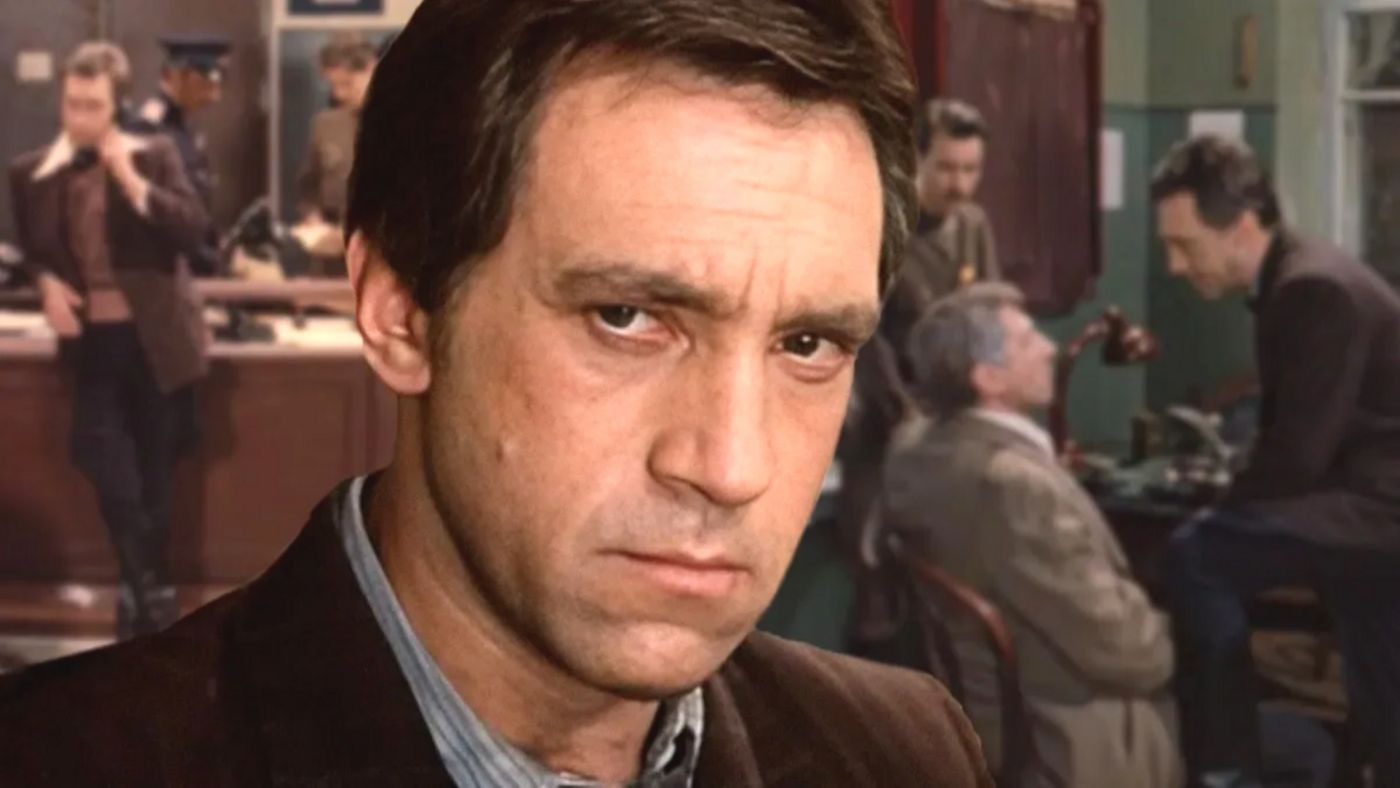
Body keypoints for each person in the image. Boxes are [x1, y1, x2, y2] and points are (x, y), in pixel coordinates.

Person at [0, 2, 992, 785]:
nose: (731, 466)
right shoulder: (65, 759)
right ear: (400, 312)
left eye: (807, 343)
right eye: (625, 317)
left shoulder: (912, 753)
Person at [1153, 135, 1400, 787]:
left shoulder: (1312, 287)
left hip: (1377, 508)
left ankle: (1226, 766)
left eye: (1184, 245)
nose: (1174, 265)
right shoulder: (1298, 276)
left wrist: (1222, 500)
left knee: (1196, 555)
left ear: (1240, 227)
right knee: (1385, 691)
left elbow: (1296, 459)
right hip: (1368, 508)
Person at [882, 283, 1183, 788]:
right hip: (1068, 738)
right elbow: (1130, 653)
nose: (1049, 347)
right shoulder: (1013, 486)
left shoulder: (913, 450)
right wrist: (1178, 635)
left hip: (984, 715)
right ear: (988, 377)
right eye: (1027, 340)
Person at [7, 43, 208, 640]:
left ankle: (139, 599)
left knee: (155, 471)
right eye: (72, 103)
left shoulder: (156, 153)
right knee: (101, 456)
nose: (80, 116)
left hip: (158, 338)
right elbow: (34, 254)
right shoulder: (32, 171)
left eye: (93, 105)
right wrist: (47, 284)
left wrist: (129, 177)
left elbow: (193, 231)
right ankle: (149, 587)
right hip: (92, 341)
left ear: (116, 106)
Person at [837, 98, 1000, 645]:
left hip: (955, 407)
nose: (960, 184)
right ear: (917, 161)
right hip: (888, 404)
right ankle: (877, 613)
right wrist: (908, 414)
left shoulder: (973, 224)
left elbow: (989, 314)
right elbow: (867, 332)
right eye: (947, 168)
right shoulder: (887, 221)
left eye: (971, 169)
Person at [132, 35, 230, 276]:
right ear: (176, 76)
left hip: (194, 255)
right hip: (167, 265)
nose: (215, 92)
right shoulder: (151, 128)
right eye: (208, 79)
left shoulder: (185, 125)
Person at [296, 32, 377, 225]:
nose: (339, 94)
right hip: (334, 230)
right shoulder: (325, 124)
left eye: (346, 84)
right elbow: (308, 186)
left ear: (371, 69)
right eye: (333, 86)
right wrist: (312, 216)